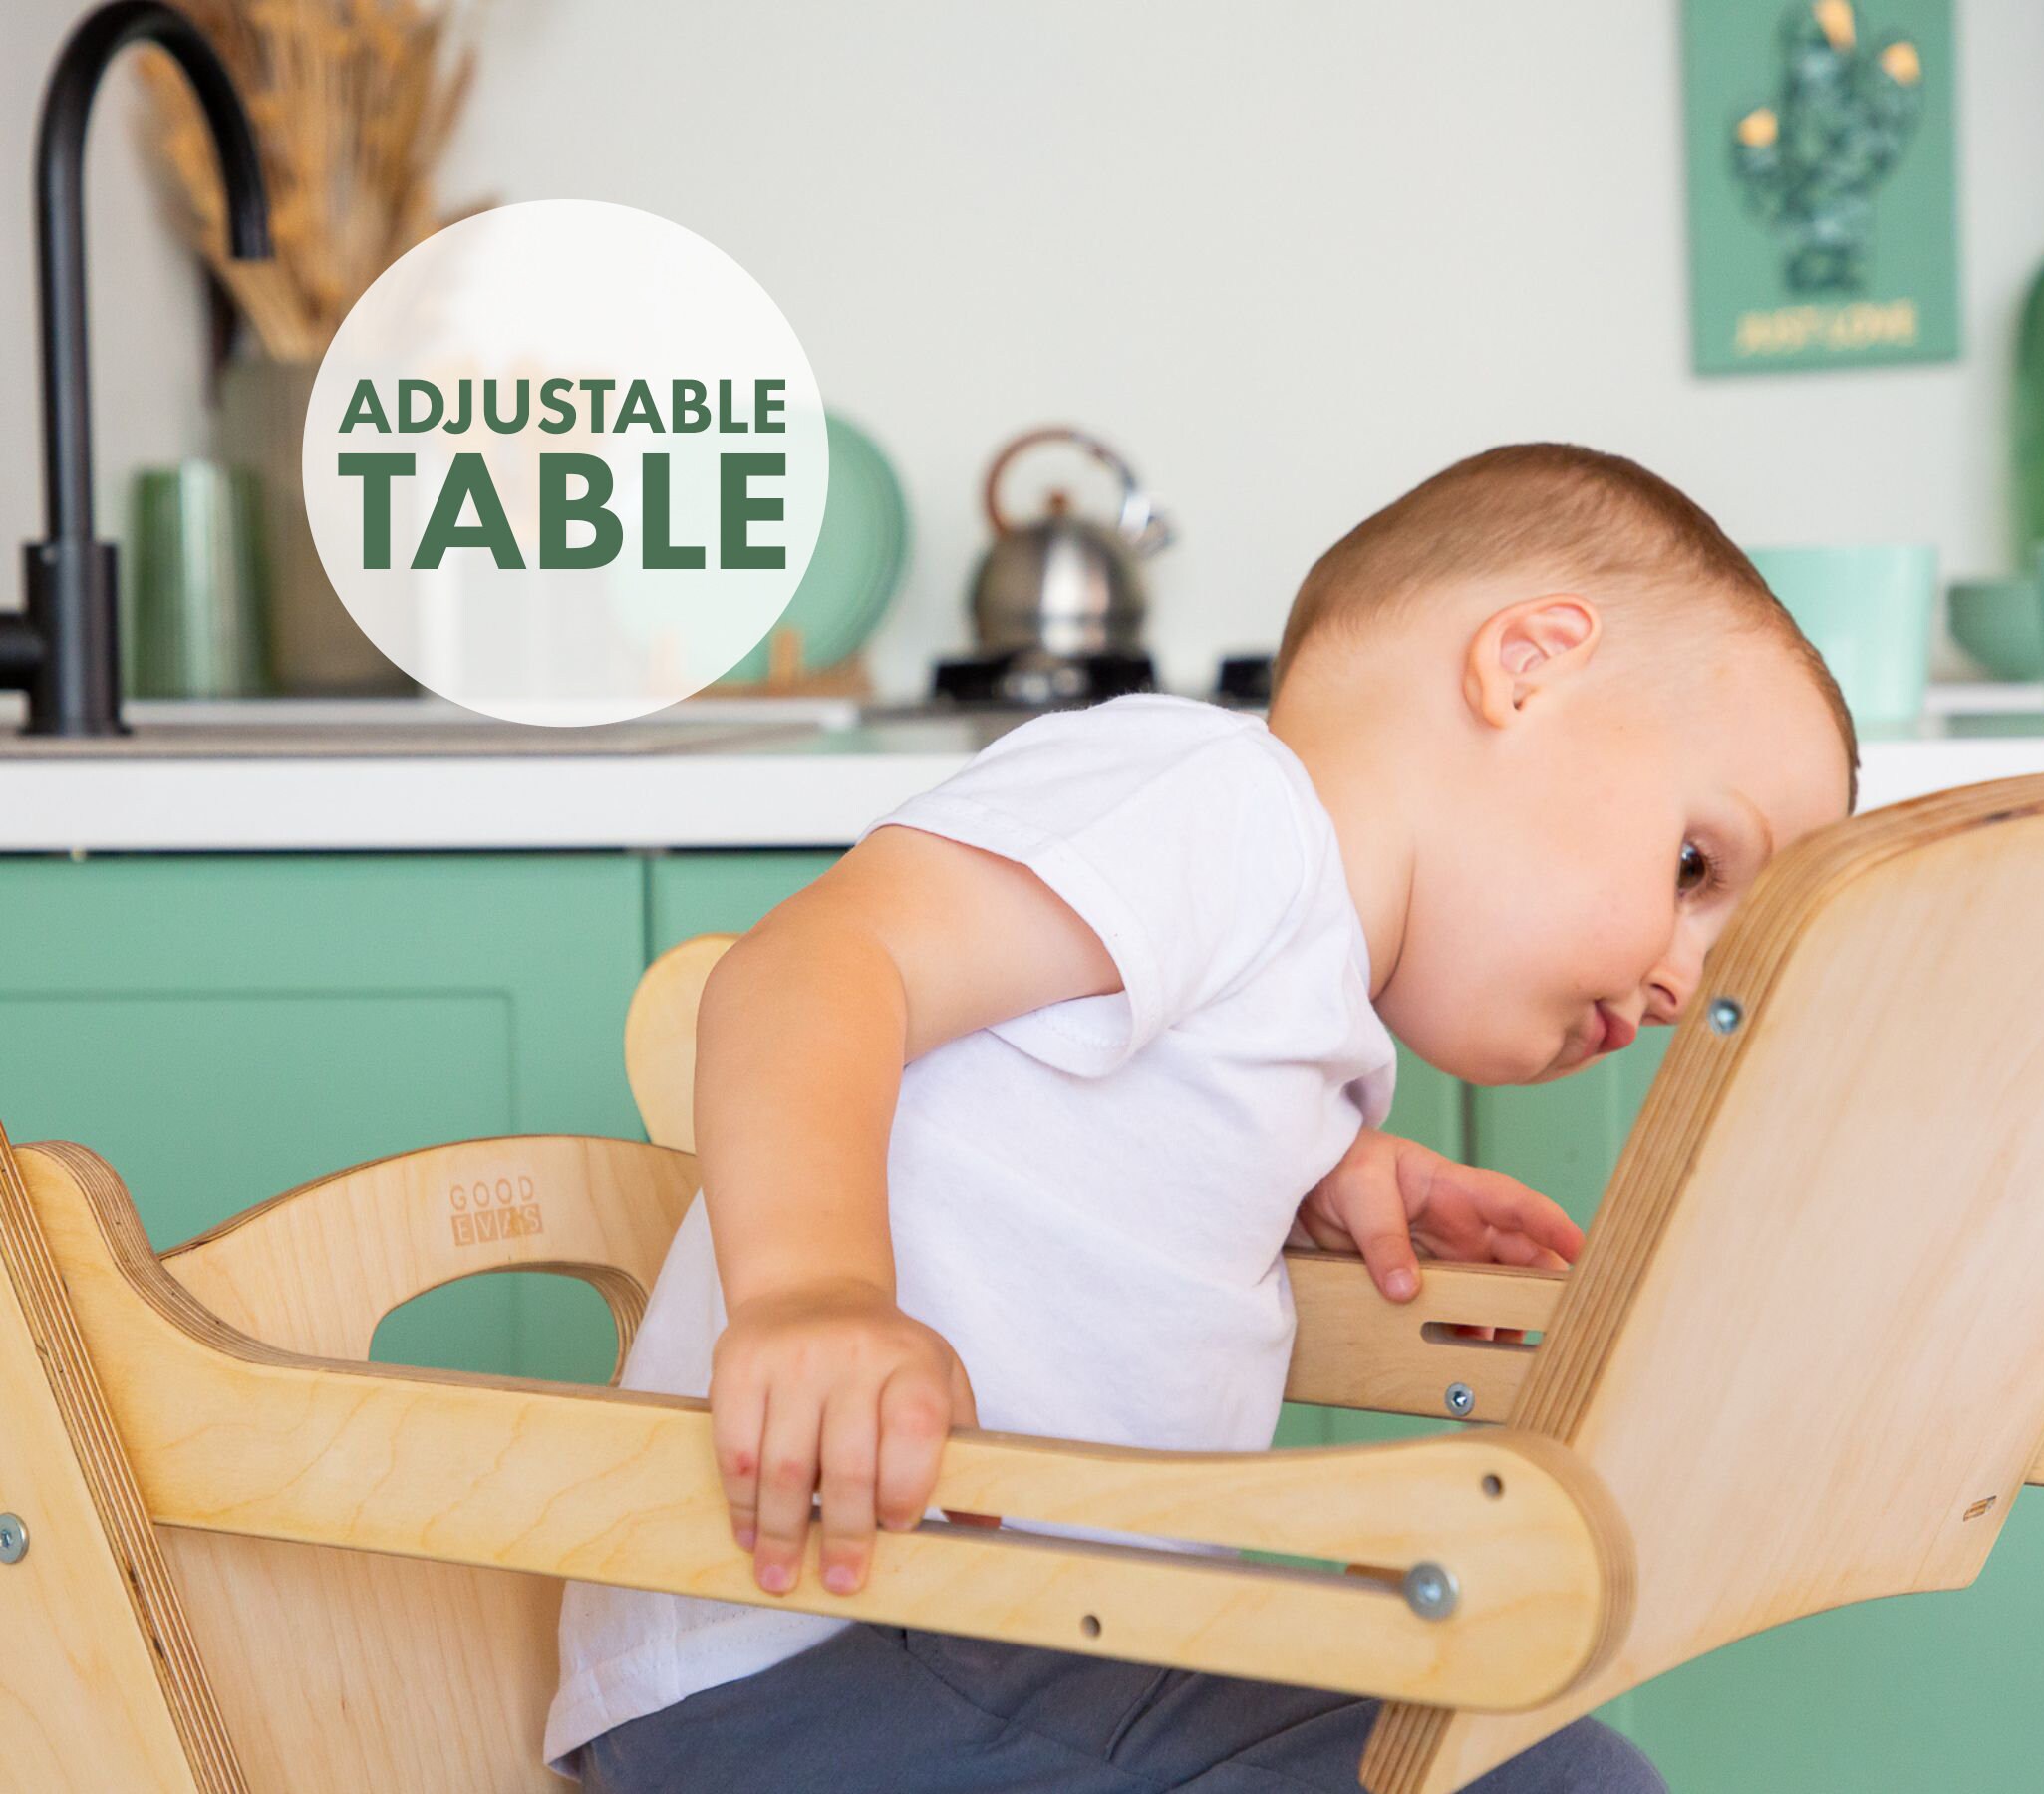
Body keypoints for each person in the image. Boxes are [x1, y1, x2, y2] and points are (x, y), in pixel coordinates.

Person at [544, 443, 1859, 1791]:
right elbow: (812, 970)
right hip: (835, 1632)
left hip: (1015, 1632)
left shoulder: (1308, 999)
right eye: (1695, 866)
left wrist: (1313, 1172)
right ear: (1526, 665)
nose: (1683, 985)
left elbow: (1065, 1124)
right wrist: (814, 1292)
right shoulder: (1219, 801)